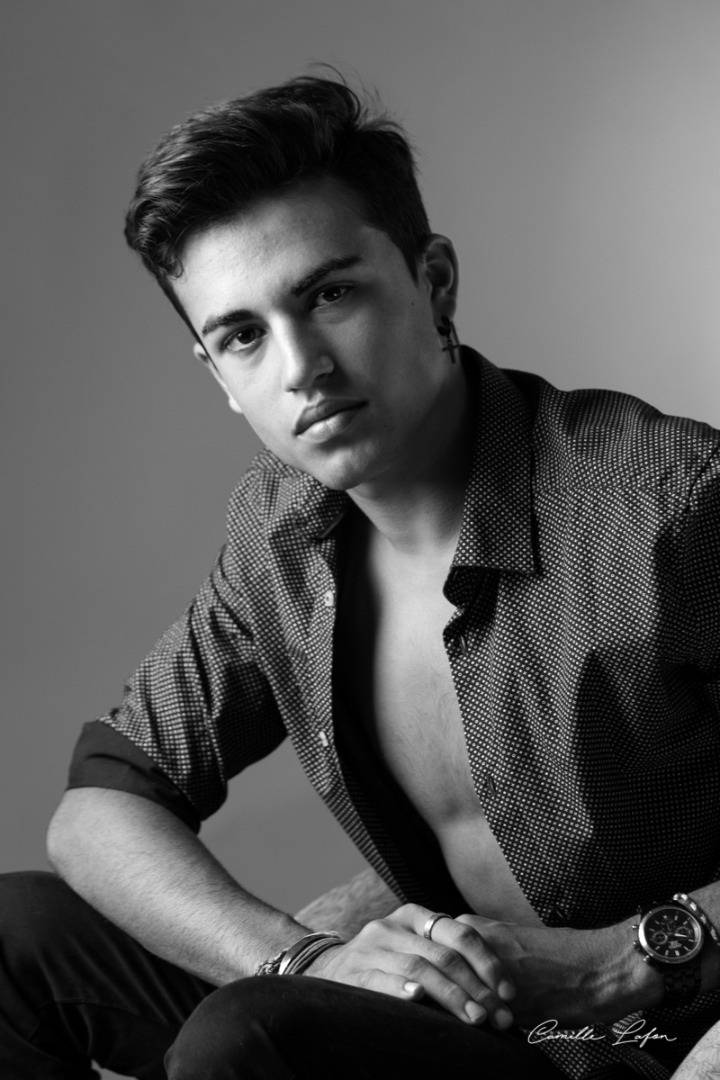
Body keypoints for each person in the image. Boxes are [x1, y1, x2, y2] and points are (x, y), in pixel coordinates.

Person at [0, 73, 719, 1080]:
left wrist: (615, 967)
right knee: (15, 932)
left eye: (329, 294)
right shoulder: (280, 536)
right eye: (243, 335)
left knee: (246, 1039)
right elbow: (101, 808)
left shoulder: (667, 505)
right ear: (217, 375)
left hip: (637, 1039)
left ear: (434, 283)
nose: (300, 366)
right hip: (450, 1024)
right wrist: (306, 959)